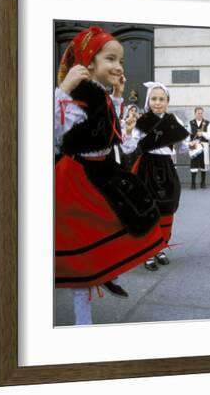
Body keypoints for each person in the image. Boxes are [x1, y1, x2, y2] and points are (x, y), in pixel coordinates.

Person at [54, 27, 166, 324]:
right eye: (111, 59)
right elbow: (51, 128)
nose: (118, 66)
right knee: (82, 246)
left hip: (103, 170)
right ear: (88, 62)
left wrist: (117, 93)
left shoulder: (99, 94)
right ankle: (83, 317)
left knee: (129, 214)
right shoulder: (78, 95)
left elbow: (109, 126)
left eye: (121, 61)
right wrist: (62, 90)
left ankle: (105, 267)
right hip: (78, 176)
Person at [122, 82, 190, 271]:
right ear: (148, 101)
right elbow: (127, 148)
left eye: (161, 99)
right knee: (149, 210)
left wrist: (188, 144)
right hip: (147, 168)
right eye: (154, 98)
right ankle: (147, 251)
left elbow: (182, 149)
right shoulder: (142, 122)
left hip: (167, 168)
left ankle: (160, 247)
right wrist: (128, 131)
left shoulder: (172, 121)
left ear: (168, 102)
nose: (157, 103)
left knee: (166, 208)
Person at [188, 107, 210, 189]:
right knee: (194, 163)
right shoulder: (191, 123)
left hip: (204, 145)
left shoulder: (207, 123)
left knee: (203, 164)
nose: (200, 114)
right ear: (195, 113)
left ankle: (203, 183)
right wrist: (189, 144)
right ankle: (193, 183)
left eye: (201, 113)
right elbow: (188, 135)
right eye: (198, 113)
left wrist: (202, 133)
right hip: (194, 145)